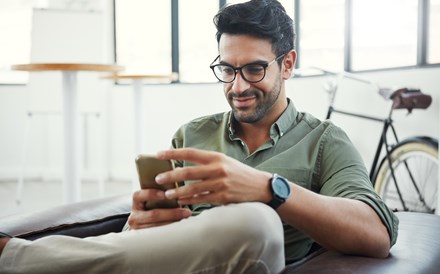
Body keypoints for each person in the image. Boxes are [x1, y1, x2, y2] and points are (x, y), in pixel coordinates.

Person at [0, 0, 398, 273]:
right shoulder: (192, 134)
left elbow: (376, 234)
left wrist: (269, 190)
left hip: (252, 259)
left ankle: (14, 260)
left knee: (256, 222)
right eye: (227, 69)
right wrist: (139, 224)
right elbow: (133, 246)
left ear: (288, 63)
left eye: (254, 69)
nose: (238, 86)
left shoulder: (324, 141)